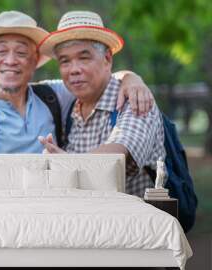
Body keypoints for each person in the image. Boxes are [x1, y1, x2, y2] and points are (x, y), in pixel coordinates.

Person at [0, 11, 154, 200]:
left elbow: (101, 81)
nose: (10, 60)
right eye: (1, 51)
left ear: (35, 60)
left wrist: (131, 78)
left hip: (51, 221)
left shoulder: (53, 95)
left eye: (22, 52)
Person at [38, 11, 165, 196]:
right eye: (65, 61)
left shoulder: (135, 98)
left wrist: (66, 165)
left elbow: (117, 154)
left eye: (84, 57)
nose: (74, 70)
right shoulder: (69, 106)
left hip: (132, 221)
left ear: (107, 59)